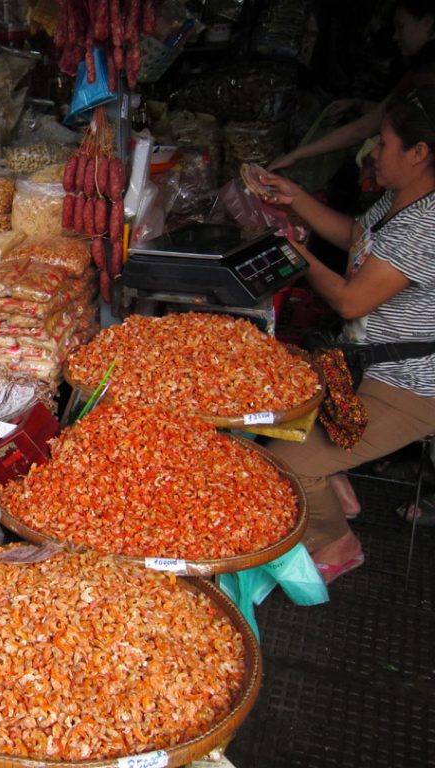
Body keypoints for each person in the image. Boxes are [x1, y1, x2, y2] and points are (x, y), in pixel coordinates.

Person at [248, 87, 435, 584]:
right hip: (360, 360)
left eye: (385, 143)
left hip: (408, 385)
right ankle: (335, 478)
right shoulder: (403, 200)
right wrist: (296, 199)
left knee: (280, 462)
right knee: (274, 389)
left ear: (419, 154)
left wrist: (292, 251)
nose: (373, 152)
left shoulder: (427, 223)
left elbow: (352, 300)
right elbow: (358, 237)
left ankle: (335, 542)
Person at [270, 1, 435, 172]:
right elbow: (382, 115)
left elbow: (363, 129)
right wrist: (358, 104)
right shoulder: (416, 75)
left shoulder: (425, 80)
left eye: (401, 27)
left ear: (428, 23)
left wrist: (296, 154)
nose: (395, 36)